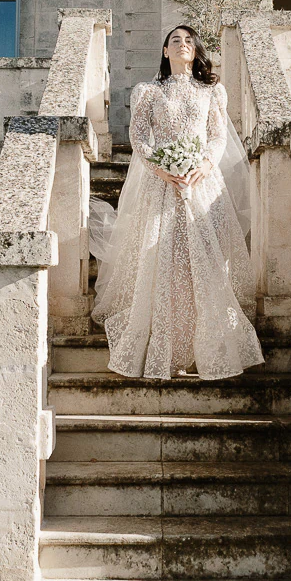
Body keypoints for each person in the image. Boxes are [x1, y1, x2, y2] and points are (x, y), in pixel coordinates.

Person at [91, 25, 264, 380]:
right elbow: (138, 136)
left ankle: (206, 345)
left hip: (202, 183)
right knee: (162, 259)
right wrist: (161, 168)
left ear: (195, 51)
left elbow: (217, 136)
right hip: (161, 186)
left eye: (188, 41)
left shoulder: (212, 92)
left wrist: (203, 165)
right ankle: (167, 347)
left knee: (203, 263)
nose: (182, 45)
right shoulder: (148, 91)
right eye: (175, 41)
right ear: (165, 51)